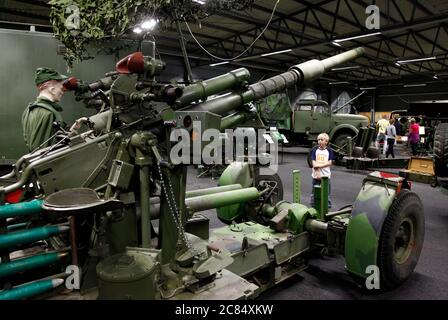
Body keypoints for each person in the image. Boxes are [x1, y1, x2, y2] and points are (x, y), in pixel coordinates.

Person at [22, 67, 68, 152]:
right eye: (61, 88)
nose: (62, 92)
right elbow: (42, 150)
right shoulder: (47, 112)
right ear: (52, 89)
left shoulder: (29, 110)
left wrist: (72, 130)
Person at [310, 133, 335, 208]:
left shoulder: (329, 151)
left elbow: (330, 162)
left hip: (325, 176)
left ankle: (327, 206)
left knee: (326, 192)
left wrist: (319, 166)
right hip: (316, 176)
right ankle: (313, 205)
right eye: (318, 140)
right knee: (314, 192)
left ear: (326, 141)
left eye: (321, 140)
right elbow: (313, 162)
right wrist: (317, 173)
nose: (319, 141)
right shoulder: (315, 150)